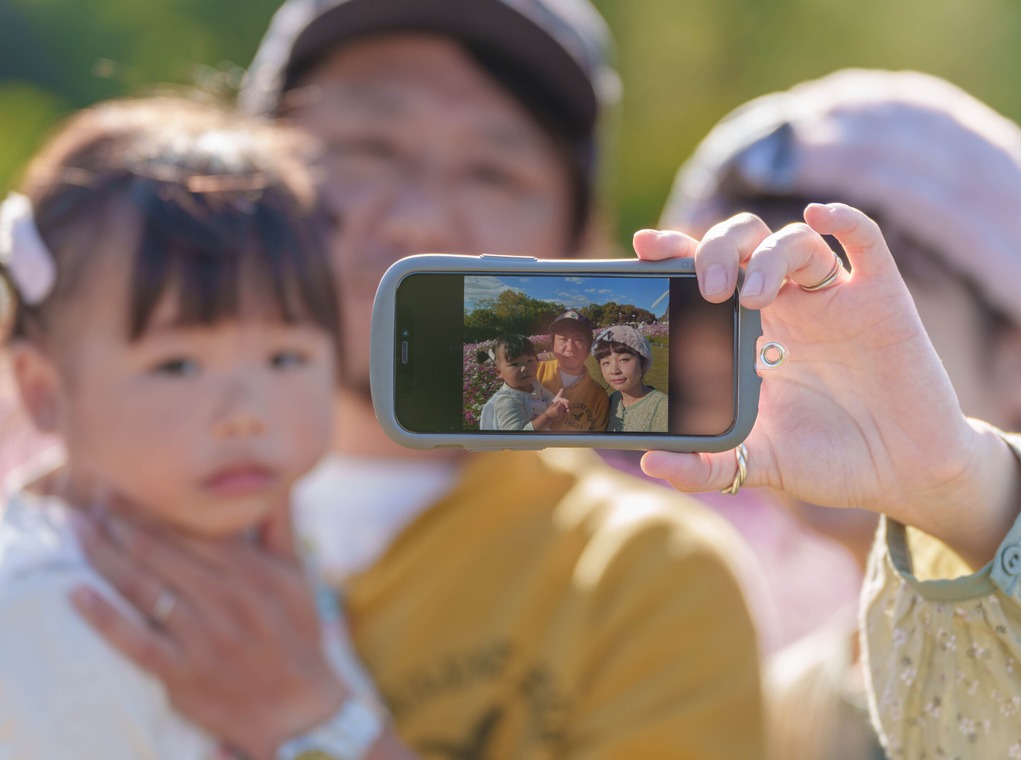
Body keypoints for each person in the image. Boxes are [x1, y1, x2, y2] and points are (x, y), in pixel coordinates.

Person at [70, 2, 767, 759]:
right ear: (249, 196)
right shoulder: (87, 514)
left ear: (580, 239)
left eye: (493, 171)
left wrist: (312, 720)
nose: (419, 222)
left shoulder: (645, 584)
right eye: (366, 148)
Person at [659, 68, 1021, 760]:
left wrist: (960, 487)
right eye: (751, 303)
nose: (789, 337)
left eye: (847, 288)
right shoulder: (772, 709)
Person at [0, 98, 381, 758]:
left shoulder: (274, 536)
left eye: (286, 357)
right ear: (44, 391)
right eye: (177, 365)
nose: (245, 413)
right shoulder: (44, 613)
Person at [534, 310, 609, 431]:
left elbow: (596, 442)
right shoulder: (534, 372)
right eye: (563, 339)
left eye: (579, 340)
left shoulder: (598, 396)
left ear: (589, 347)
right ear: (552, 344)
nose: (570, 348)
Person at [478, 333, 569, 431]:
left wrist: (556, 403)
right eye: (515, 364)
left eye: (530, 361)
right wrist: (547, 417)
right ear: (499, 372)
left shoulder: (534, 384)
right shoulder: (507, 401)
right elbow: (516, 439)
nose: (525, 368)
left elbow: (546, 396)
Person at [591, 325, 668, 433]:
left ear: (643, 362)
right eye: (606, 363)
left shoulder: (663, 408)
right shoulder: (612, 400)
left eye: (623, 360)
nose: (614, 370)